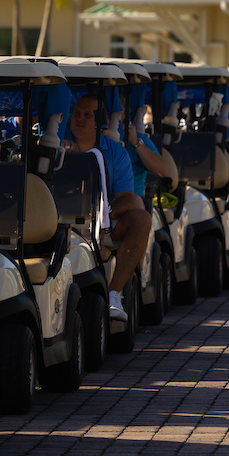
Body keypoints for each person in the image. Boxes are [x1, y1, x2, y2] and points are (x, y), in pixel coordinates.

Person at [63, 93, 150, 322]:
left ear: (99, 120)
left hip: (102, 223)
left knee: (141, 219)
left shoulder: (116, 152)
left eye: (87, 115)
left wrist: (101, 219)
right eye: (77, 114)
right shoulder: (57, 145)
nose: (80, 119)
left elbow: (127, 198)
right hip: (60, 222)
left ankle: (114, 295)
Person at [125, 121, 170, 199]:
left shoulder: (138, 138)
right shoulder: (102, 138)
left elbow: (161, 172)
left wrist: (135, 142)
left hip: (132, 198)